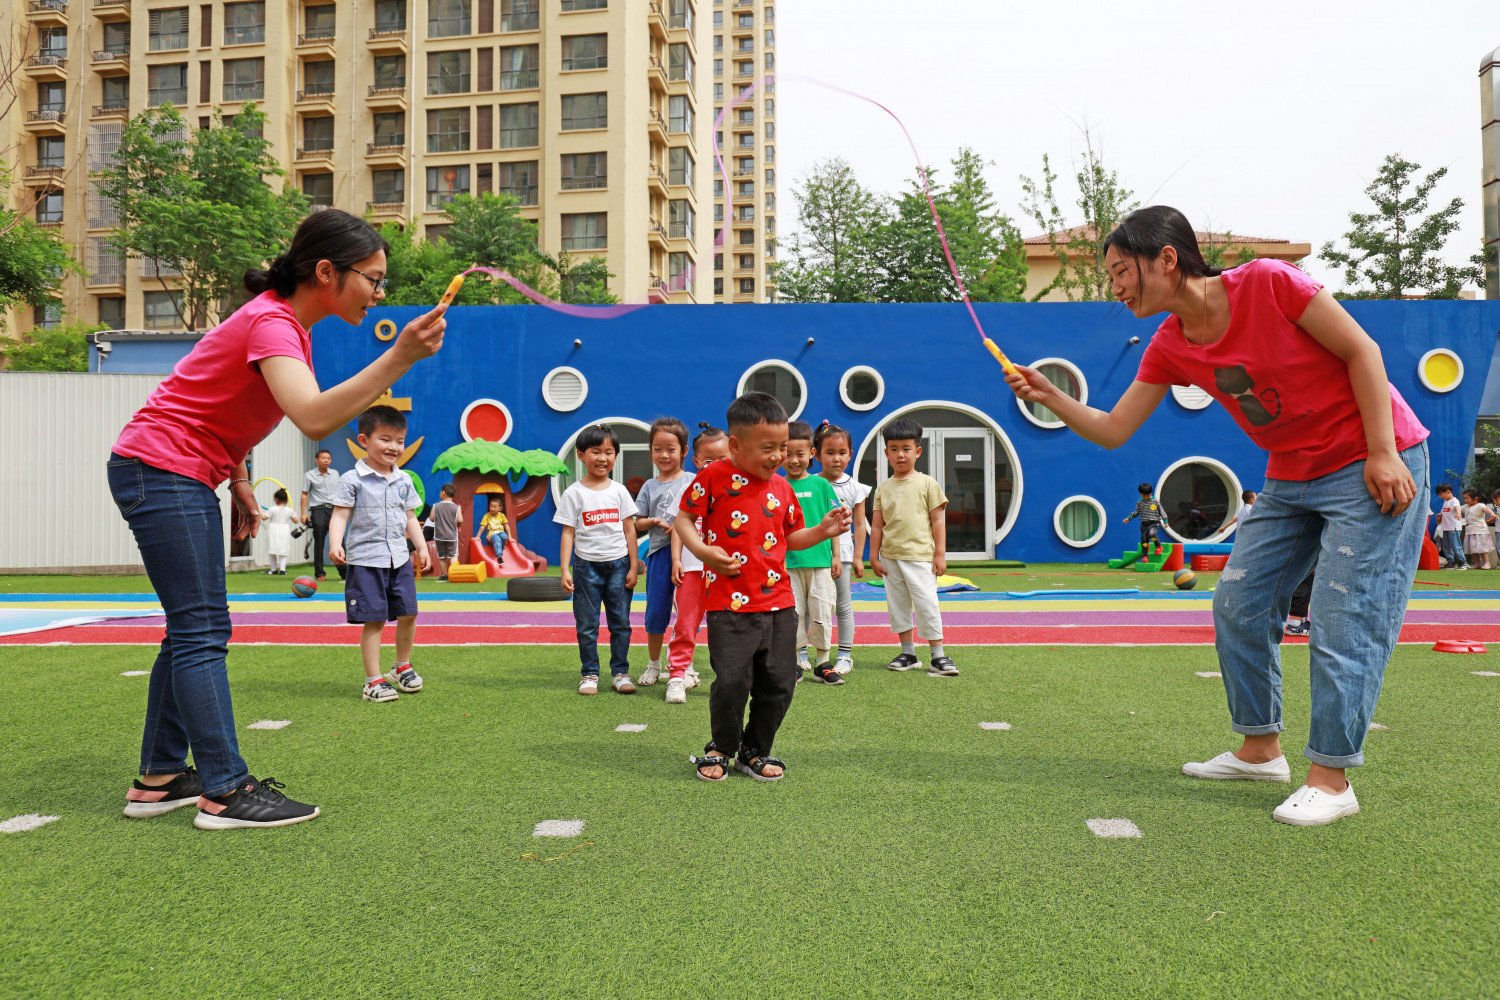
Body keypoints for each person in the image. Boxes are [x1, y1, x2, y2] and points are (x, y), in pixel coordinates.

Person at [1006, 205, 1428, 827]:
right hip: (1291, 473)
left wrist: (1384, 451)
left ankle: (1332, 778)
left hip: (1371, 458)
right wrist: (1051, 396)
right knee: (1238, 602)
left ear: (1167, 260)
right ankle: (1260, 750)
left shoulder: (1268, 283)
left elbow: (1362, 350)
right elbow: (1115, 428)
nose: (1115, 287)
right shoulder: (1170, 345)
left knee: (1345, 614)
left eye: (1123, 271)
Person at [109, 208, 446, 830]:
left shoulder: (286, 325)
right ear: (327, 272)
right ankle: (224, 791)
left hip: (173, 469)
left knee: (187, 629)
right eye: (373, 279)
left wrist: (235, 477)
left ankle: (157, 779)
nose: (379, 293)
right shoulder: (272, 321)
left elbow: (219, 403)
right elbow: (314, 417)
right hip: (159, 469)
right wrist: (400, 357)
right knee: (202, 628)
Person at [675, 392, 851, 782]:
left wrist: (823, 530)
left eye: (783, 448)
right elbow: (684, 518)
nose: (778, 457)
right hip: (729, 604)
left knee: (781, 682)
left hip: (778, 604)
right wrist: (704, 551)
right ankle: (722, 746)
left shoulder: (783, 488)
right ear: (735, 445)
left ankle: (755, 750)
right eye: (768, 448)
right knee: (733, 681)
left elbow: (794, 537)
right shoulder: (713, 477)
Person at [328, 405, 429, 701]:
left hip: (399, 558)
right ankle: (373, 680)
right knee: (375, 620)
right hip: (365, 561)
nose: (394, 447)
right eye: (385, 439)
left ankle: (401, 666)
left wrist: (421, 547)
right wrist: (336, 543)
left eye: (399, 441)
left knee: (409, 613)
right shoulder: (352, 480)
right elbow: (340, 515)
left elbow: (411, 517)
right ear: (364, 440)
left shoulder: (404, 480)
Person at [870, 417, 958, 677]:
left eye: (906, 449)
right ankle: (908, 652)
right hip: (890, 558)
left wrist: (940, 554)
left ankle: (938, 655)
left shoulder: (928, 483)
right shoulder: (883, 488)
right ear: (886, 453)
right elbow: (876, 526)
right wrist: (873, 557)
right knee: (897, 605)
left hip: (920, 557)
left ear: (917, 451)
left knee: (926, 604)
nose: (900, 455)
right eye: (894, 449)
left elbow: (938, 520)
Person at [556, 424, 639, 695]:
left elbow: (630, 529)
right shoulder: (574, 493)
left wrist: (633, 565)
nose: (602, 458)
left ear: (615, 455)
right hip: (585, 567)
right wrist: (565, 569)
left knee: (621, 623)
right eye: (595, 452)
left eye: (609, 452)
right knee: (587, 625)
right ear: (581, 455)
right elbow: (568, 532)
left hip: (619, 565)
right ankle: (589, 674)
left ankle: (620, 673)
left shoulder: (619, 491)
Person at [663, 423, 727, 703]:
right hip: (691, 568)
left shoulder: (736, 488)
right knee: (686, 624)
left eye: (723, 459)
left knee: (727, 626)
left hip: (725, 572)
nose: (716, 465)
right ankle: (677, 675)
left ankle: (730, 678)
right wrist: (676, 559)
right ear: (698, 461)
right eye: (710, 460)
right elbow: (679, 525)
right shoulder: (690, 487)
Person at [633, 417, 692, 690]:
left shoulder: (694, 481)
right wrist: (654, 522)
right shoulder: (649, 486)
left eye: (671, 449)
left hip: (691, 558)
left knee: (686, 614)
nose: (664, 455)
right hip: (658, 555)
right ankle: (654, 663)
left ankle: (685, 665)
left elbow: (701, 515)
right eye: (658, 449)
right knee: (656, 612)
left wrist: (685, 527)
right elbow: (636, 521)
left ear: (684, 451)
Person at [783, 420, 844, 684]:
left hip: (820, 563)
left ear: (812, 453)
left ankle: (823, 663)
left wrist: (837, 556)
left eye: (800, 454)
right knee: (792, 614)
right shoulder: (778, 486)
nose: (794, 460)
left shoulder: (823, 486)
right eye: (788, 454)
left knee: (821, 610)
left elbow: (836, 523)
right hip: (788, 563)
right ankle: (795, 663)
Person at [816, 420, 870, 675]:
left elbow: (860, 525)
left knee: (843, 605)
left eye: (842, 453)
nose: (836, 459)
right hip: (814, 552)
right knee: (811, 604)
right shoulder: (812, 483)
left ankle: (845, 654)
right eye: (830, 453)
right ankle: (805, 652)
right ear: (816, 455)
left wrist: (858, 557)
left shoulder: (854, 487)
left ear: (851, 454)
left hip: (844, 555)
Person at [299, 449, 341, 580]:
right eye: (323, 458)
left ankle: (344, 573)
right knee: (319, 543)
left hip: (334, 510)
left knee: (339, 542)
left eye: (329, 458)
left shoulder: (335, 473)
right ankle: (320, 573)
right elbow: (304, 494)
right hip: (318, 510)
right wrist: (303, 513)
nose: (326, 460)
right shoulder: (309, 475)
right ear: (316, 460)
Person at [430, 483, 463, 581]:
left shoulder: (436, 506)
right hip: (452, 536)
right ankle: (455, 575)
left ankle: (444, 575)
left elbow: (431, 518)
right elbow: (460, 520)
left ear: (443, 493)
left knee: (442, 556)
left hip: (439, 536)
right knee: (453, 555)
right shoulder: (457, 507)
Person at [261, 488, 297, 575]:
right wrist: (293, 512)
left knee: (272, 550)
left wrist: (258, 509)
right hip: (284, 529)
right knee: (283, 550)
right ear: (286, 500)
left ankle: (273, 570)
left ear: (276, 499)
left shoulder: (272, 509)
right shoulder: (289, 510)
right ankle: (282, 570)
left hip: (273, 529)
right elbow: (296, 521)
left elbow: (263, 517)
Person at [1124, 483, 1166, 555]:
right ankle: (1145, 555)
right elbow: (1137, 512)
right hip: (1144, 524)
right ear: (1140, 494)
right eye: (1144, 495)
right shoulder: (1140, 502)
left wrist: (1165, 520)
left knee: (1152, 535)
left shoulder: (1155, 501)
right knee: (1144, 540)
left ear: (1151, 493)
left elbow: (1161, 511)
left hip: (1154, 523)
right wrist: (1129, 517)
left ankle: (1158, 546)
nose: (1146, 497)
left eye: (1148, 495)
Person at [1461, 488, 1496, 570]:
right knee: (1473, 548)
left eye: (1467, 498)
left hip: (1480, 531)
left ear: (1475, 498)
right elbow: (1456, 508)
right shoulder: (1465, 507)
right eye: (1464, 498)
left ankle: (1487, 563)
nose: (1465, 500)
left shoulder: (1480, 506)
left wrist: (1492, 516)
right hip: (1470, 531)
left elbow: (1489, 511)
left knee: (1483, 548)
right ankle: (1477, 564)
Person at [1435, 483, 1467, 569]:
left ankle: (1463, 563)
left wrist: (1458, 513)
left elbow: (1457, 508)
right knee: (1446, 546)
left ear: (1448, 492)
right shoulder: (1445, 502)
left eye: (1441, 494)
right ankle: (1451, 562)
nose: (1440, 496)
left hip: (1454, 528)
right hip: (1446, 528)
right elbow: (1444, 513)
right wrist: (1439, 517)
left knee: (1456, 545)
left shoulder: (1454, 501)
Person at [478, 495, 510, 566]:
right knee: (497, 539)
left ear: (500, 508)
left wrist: (510, 536)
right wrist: (478, 536)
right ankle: (499, 557)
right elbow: (482, 526)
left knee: (505, 537)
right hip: (491, 534)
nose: (492, 508)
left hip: (500, 532)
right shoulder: (487, 516)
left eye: (495, 507)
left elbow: (506, 525)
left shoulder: (502, 515)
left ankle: (501, 547)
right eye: (491, 506)